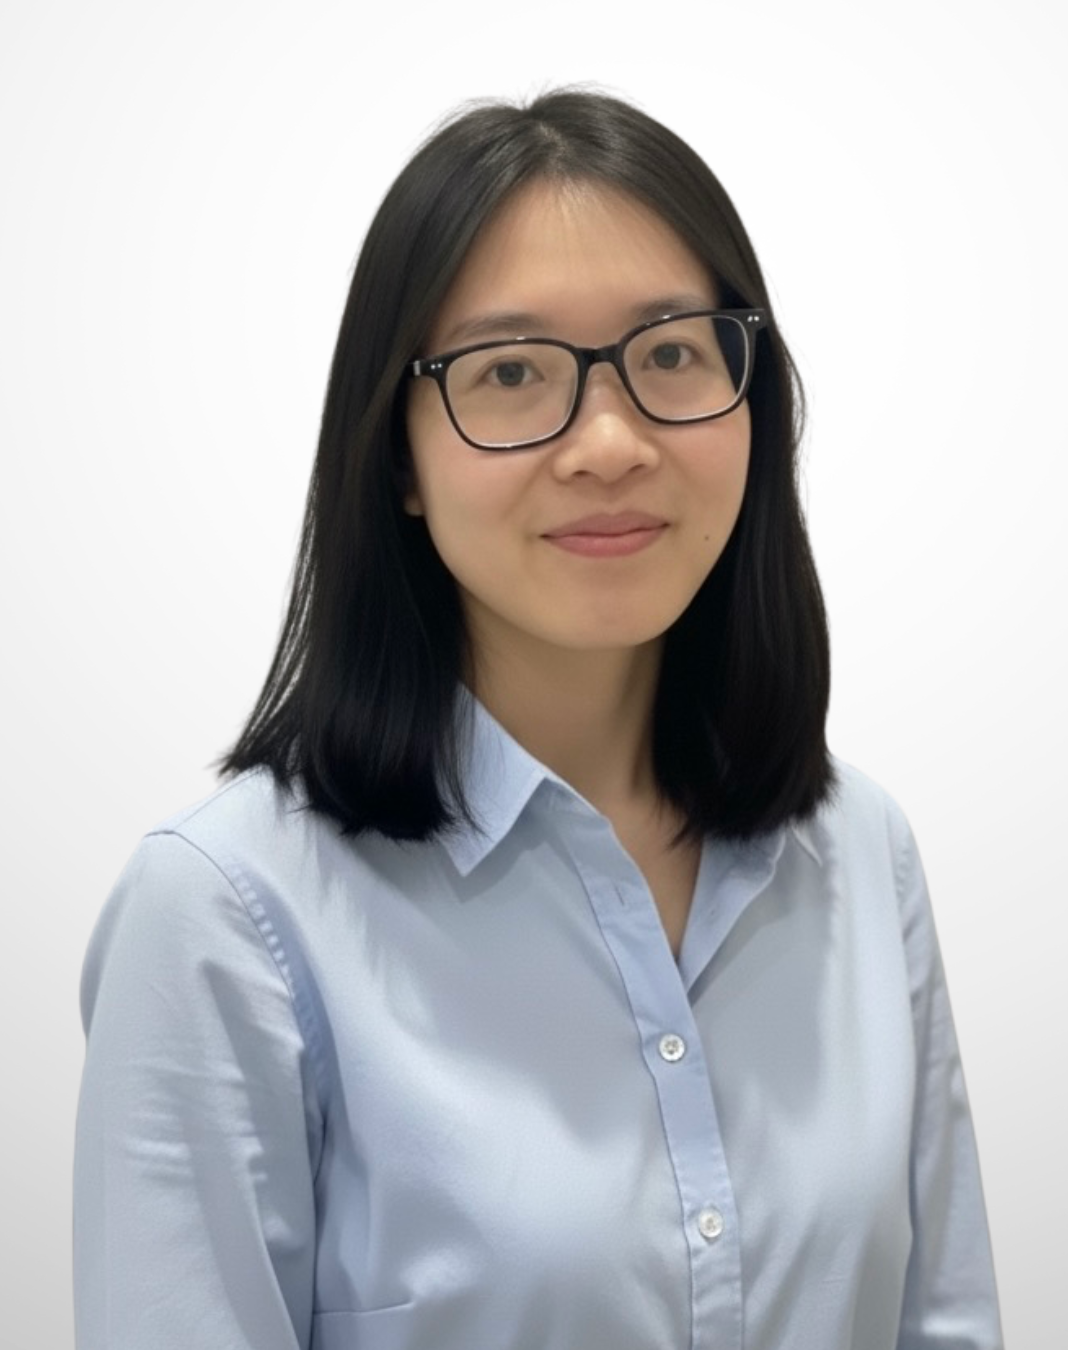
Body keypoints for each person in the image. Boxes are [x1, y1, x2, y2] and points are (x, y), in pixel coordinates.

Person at [74, 90, 1005, 1350]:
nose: (609, 441)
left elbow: (943, 1323)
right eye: (512, 373)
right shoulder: (227, 917)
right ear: (397, 457)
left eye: (672, 353)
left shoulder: (858, 854)